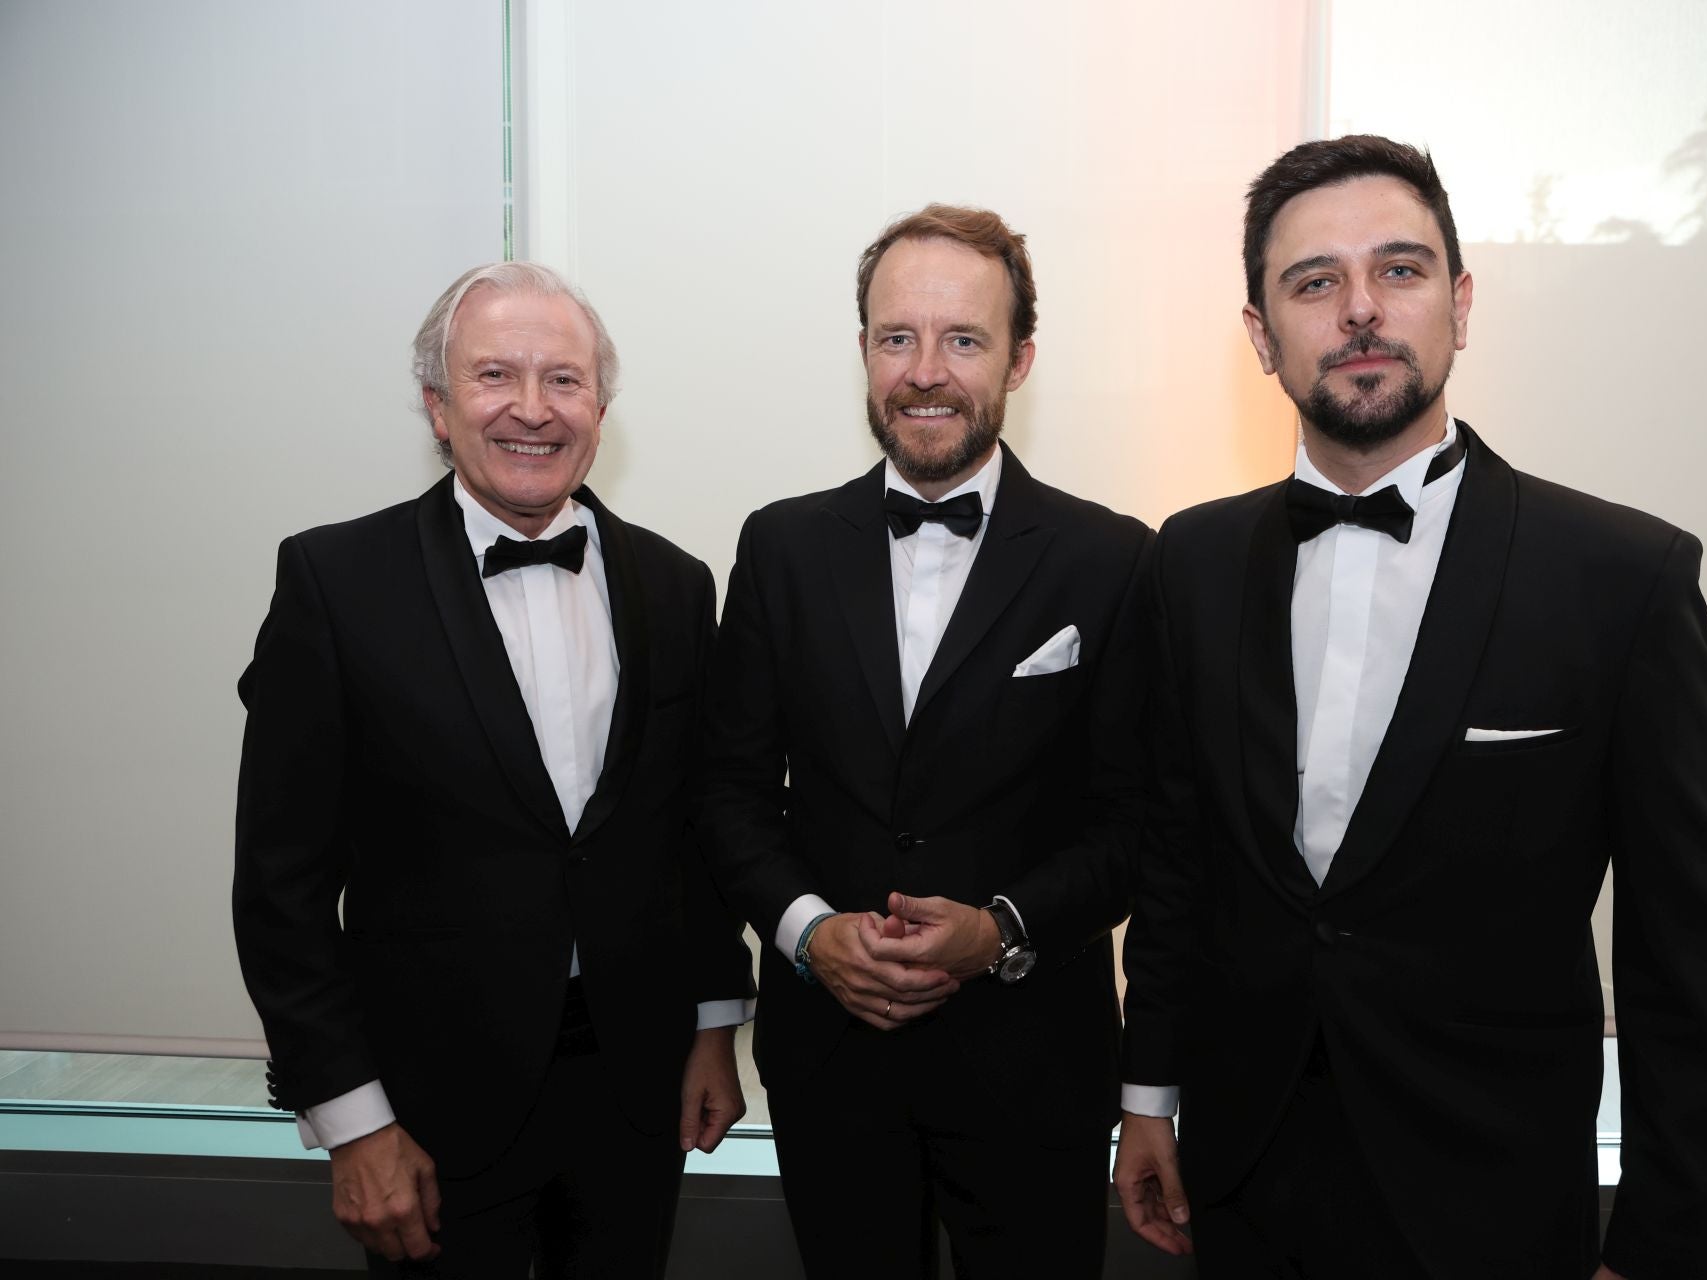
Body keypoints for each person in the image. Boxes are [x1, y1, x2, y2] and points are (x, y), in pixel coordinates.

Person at [1114, 136, 1707, 1279]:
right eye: (1314, 282)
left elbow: (1685, 950)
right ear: (1262, 334)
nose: (1361, 309)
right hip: (1248, 1174)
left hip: (1496, 1190)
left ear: (1459, 304)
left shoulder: (1624, 575)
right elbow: (1178, 860)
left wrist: (1668, 1237)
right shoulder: (1191, 561)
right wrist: (1149, 1095)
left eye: (1399, 270)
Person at [232, 262, 754, 1276]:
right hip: (425, 1109)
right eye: (493, 376)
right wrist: (351, 1120)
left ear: (600, 403)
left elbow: (690, 833)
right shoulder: (334, 584)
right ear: (437, 404)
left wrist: (712, 1027)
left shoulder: (677, 584)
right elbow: (280, 884)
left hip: (634, 1087)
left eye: (563, 379)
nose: (531, 408)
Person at [699, 204, 1151, 1278]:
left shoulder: (1116, 559)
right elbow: (726, 792)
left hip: (1035, 1063)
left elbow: (1140, 821)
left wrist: (999, 929)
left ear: (1020, 357)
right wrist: (811, 934)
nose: (926, 372)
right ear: (863, 350)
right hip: (829, 1063)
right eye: (897, 337)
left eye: (964, 339)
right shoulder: (779, 546)